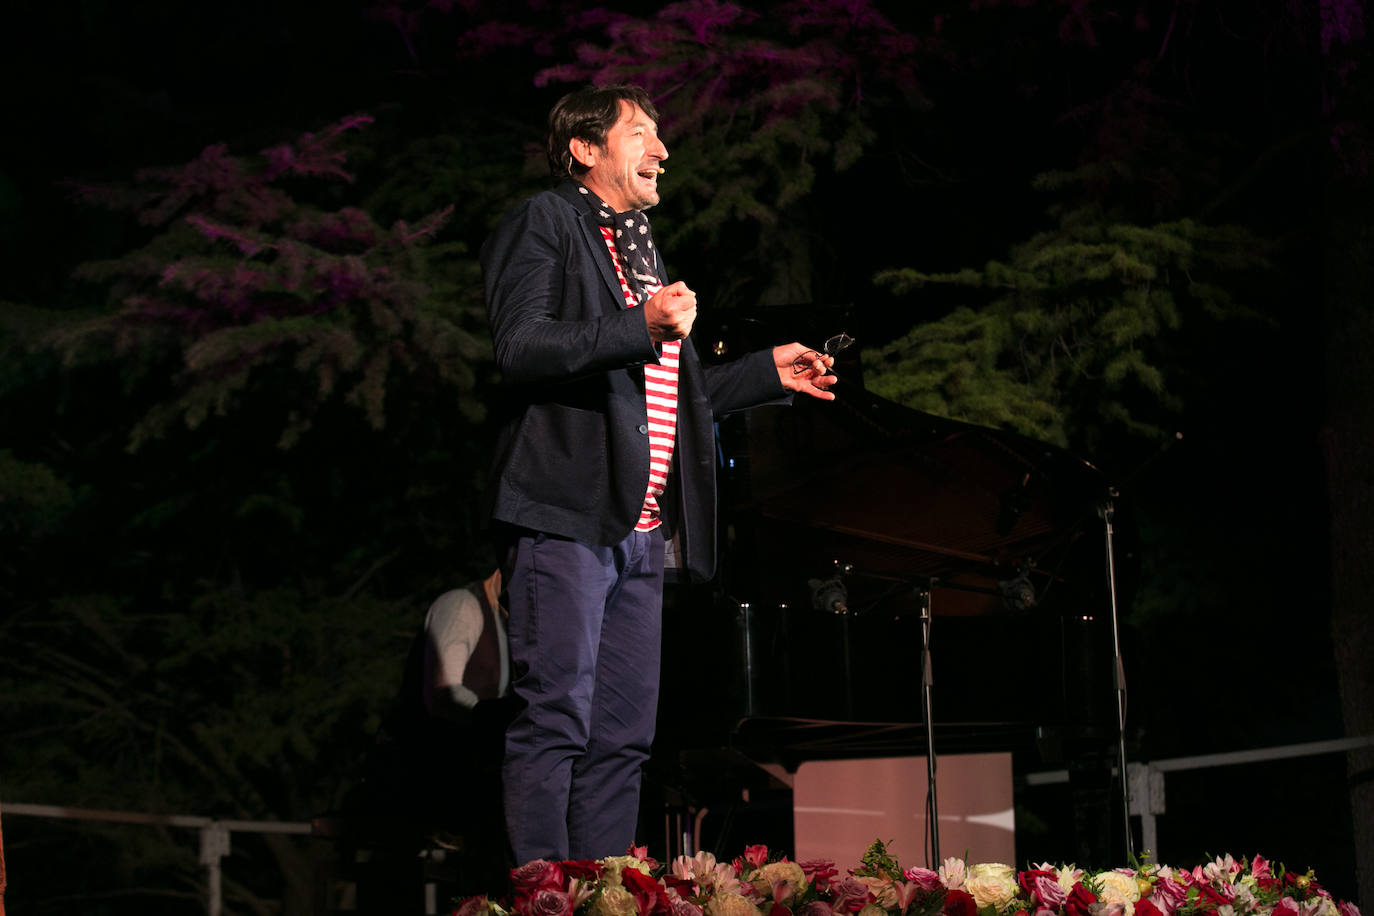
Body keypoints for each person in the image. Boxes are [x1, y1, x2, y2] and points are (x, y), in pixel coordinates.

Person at [481, 83, 837, 864]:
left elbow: (679, 395)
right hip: (566, 511)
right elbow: (522, 347)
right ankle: (544, 896)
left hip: (644, 535)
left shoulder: (640, 245)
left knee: (623, 737)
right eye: (640, 133)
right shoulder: (547, 221)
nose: (663, 150)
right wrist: (637, 324)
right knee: (556, 721)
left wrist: (767, 373)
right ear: (585, 148)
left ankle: (607, 891)